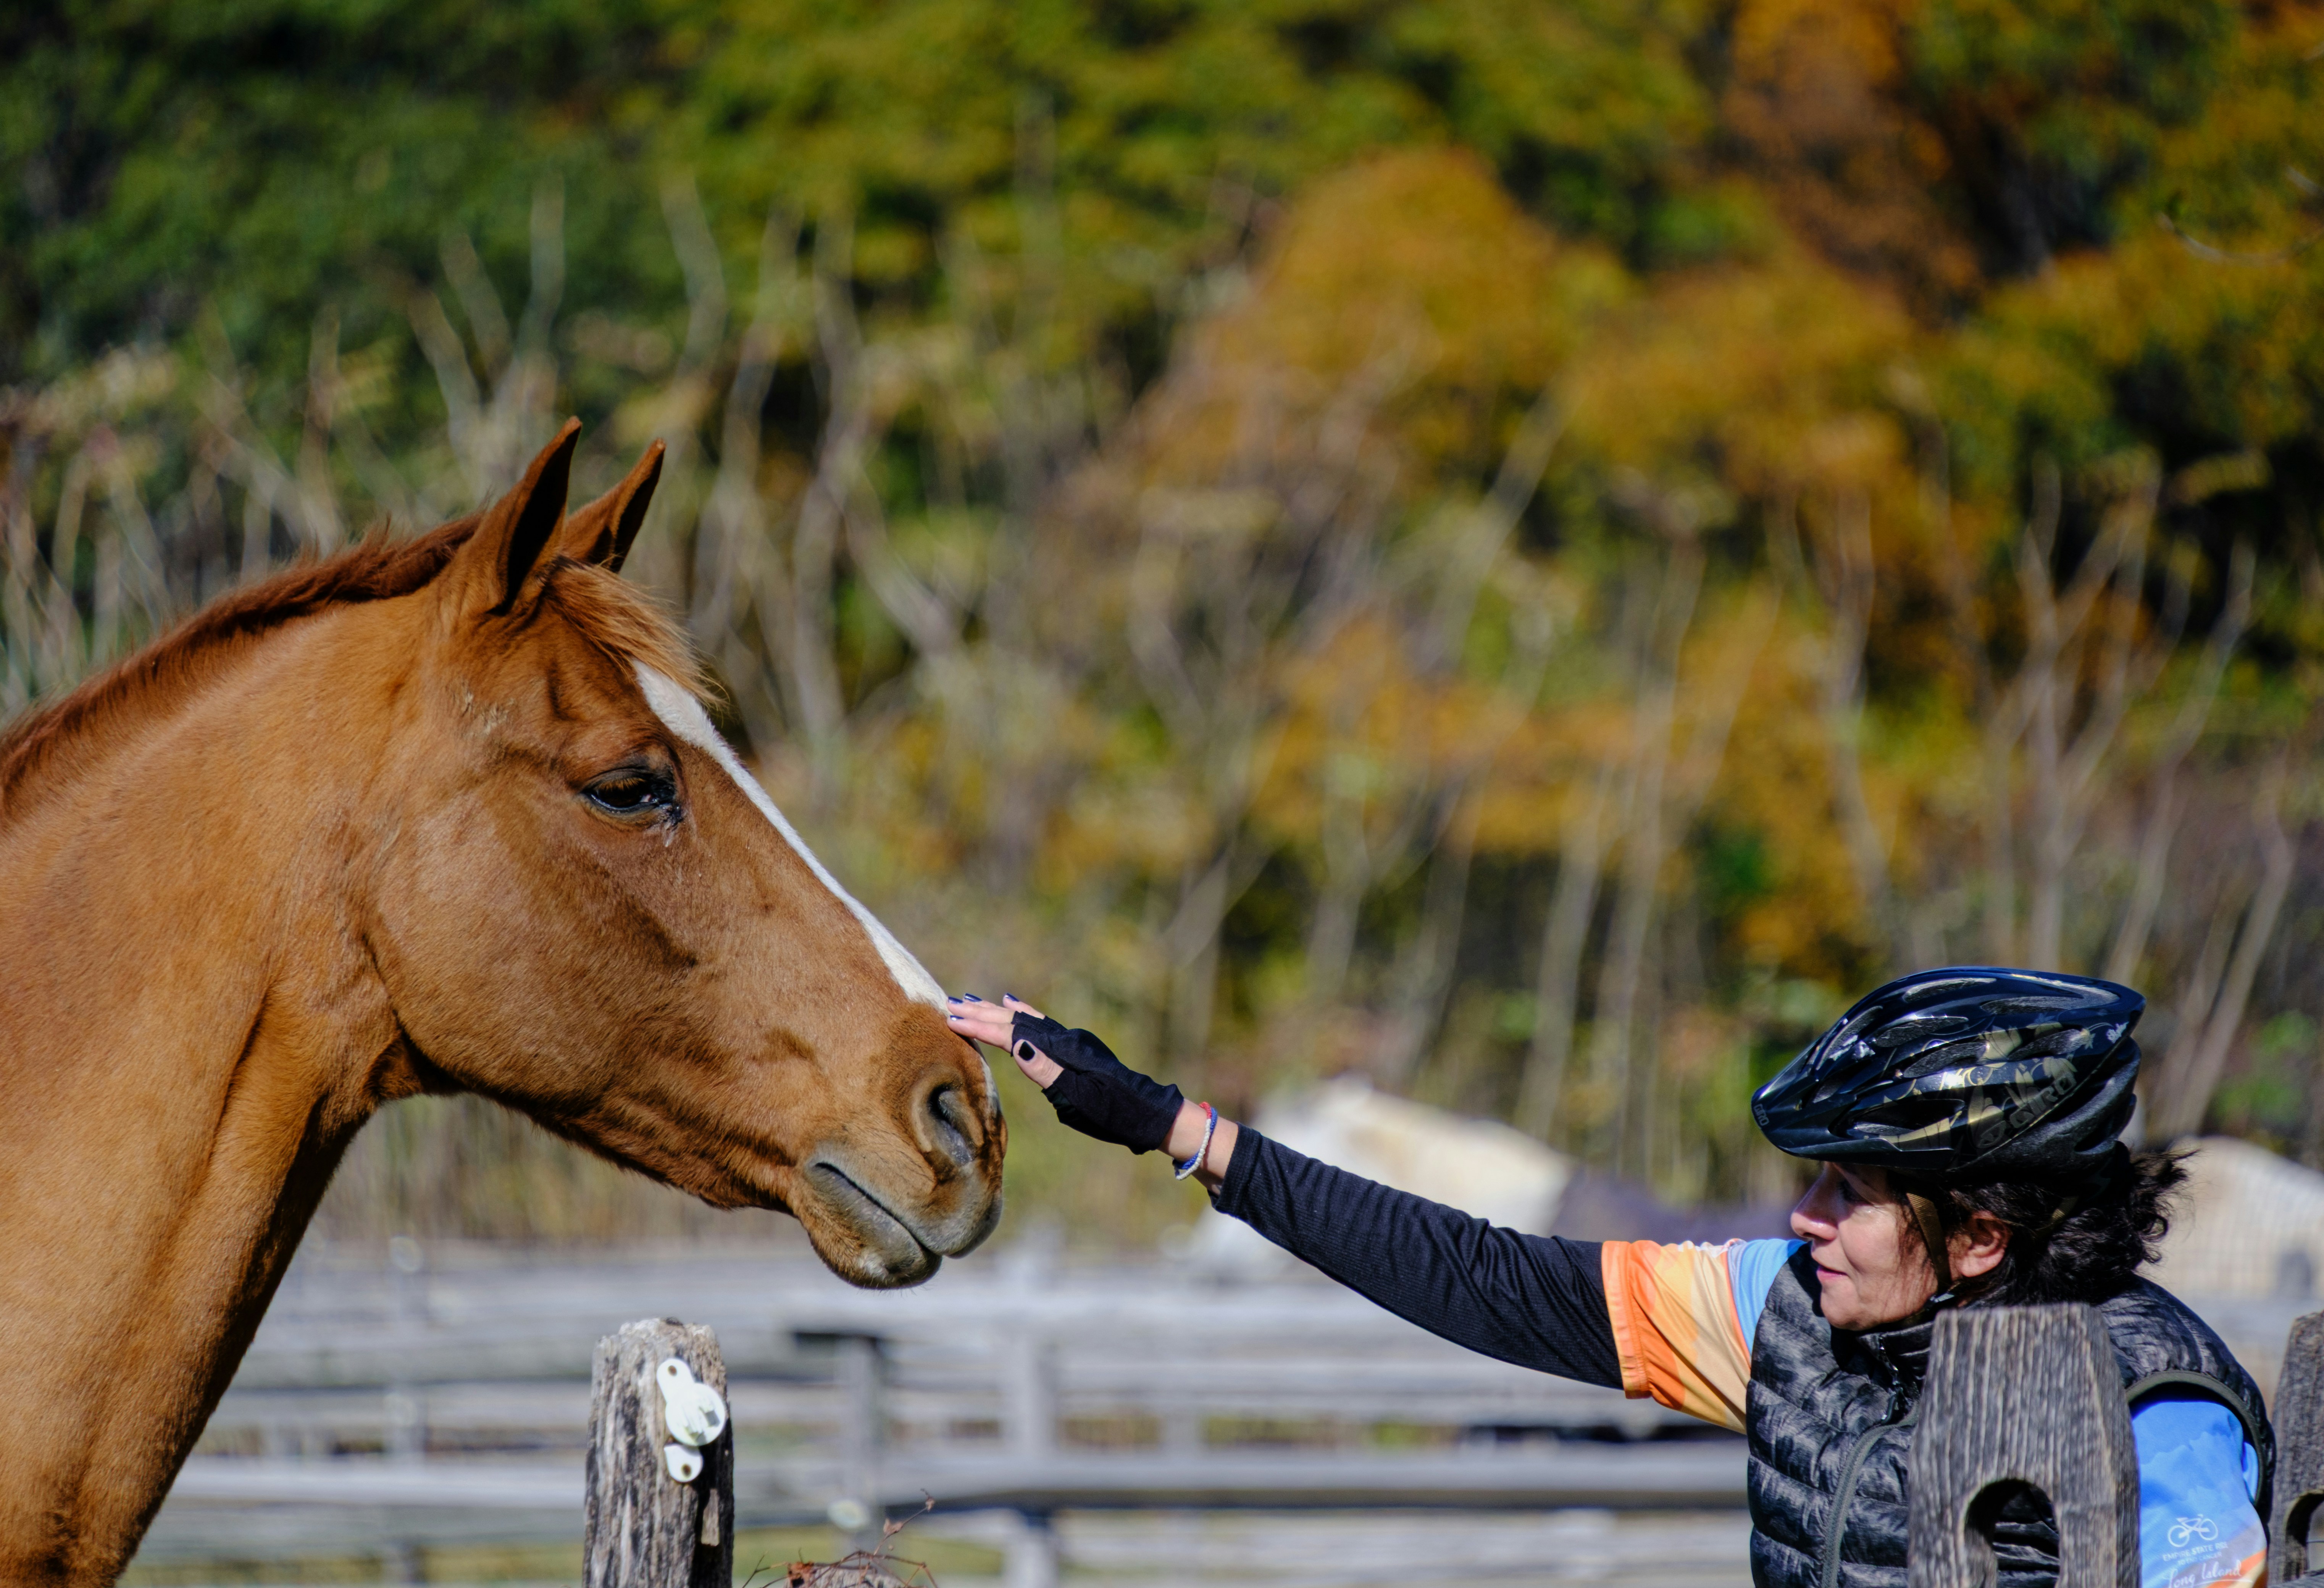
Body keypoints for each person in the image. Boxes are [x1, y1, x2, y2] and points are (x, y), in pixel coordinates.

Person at [946, 967, 2274, 1588]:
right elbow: (1483, 1277)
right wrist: (1173, 1127)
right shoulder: (1797, 1315)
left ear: (1981, 1234)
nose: (1801, 1221)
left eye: (1849, 1195)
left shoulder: (2164, 1421)